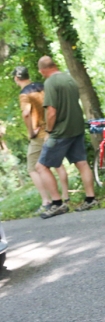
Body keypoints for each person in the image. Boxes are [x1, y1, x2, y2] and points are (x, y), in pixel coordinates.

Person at [35, 57, 98, 218]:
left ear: (42, 70)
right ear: (54, 65)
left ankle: (57, 204)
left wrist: (49, 131)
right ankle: (90, 199)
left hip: (60, 132)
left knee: (41, 167)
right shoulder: (70, 79)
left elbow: (52, 111)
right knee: (82, 163)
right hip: (76, 128)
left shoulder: (50, 83)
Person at [11, 66, 69, 213]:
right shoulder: (43, 86)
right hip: (54, 129)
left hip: (39, 134)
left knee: (33, 167)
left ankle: (47, 200)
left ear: (16, 78)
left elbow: (26, 114)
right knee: (58, 165)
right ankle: (65, 196)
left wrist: (31, 132)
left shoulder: (25, 94)